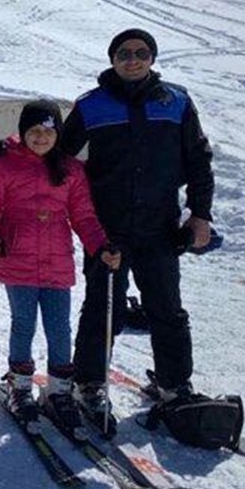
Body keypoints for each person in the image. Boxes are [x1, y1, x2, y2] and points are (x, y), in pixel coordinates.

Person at [62, 28, 215, 435]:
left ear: (151, 58)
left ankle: (174, 384)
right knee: (102, 305)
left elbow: (198, 160)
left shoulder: (176, 102)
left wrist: (200, 215)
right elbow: (58, 157)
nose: (133, 59)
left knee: (166, 307)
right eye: (125, 53)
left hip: (160, 226)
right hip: (107, 227)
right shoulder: (92, 105)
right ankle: (90, 383)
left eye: (141, 53)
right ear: (113, 59)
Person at [0, 100, 120, 432]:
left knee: (59, 328)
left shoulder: (71, 170)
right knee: (23, 324)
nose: (41, 137)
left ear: (59, 133)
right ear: (23, 133)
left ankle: (59, 391)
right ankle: (21, 387)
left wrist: (101, 246)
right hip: (17, 258)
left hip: (56, 261)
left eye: (48, 131)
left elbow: (83, 217)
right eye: (34, 131)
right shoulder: (4, 166)